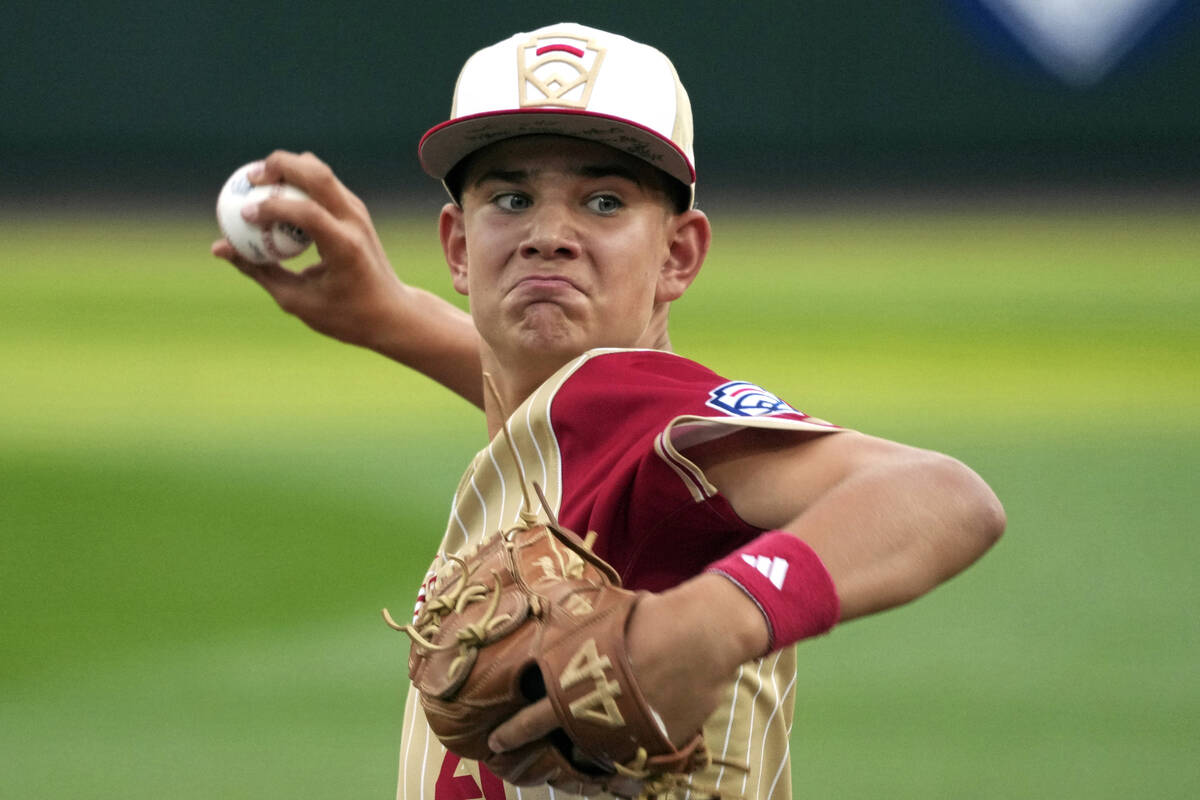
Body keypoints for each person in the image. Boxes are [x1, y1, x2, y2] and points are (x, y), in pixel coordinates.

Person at [212, 22, 1005, 800]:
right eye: (512, 198)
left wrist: (713, 620)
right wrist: (391, 317)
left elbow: (945, 497)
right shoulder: (565, 423)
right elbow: (540, 407)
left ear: (677, 255)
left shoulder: (644, 409)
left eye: (602, 201)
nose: (548, 235)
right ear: (458, 247)